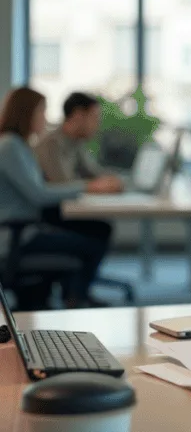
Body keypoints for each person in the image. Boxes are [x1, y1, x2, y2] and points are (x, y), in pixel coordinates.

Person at [0, 87, 122, 308]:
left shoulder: (19, 145)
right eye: (42, 112)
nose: (45, 118)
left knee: (96, 232)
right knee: (91, 243)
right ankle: (75, 299)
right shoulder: (10, 146)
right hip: (15, 235)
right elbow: (38, 194)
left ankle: (71, 297)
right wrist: (87, 187)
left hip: (26, 229)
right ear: (26, 114)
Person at [34, 91, 122, 248]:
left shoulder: (76, 142)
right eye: (94, 118)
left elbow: (94, 173)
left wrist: (114, 180)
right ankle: (80, 272)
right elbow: (61, 184)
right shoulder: (51, 144)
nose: (98, 124)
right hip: (48, 214)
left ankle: (83, 273)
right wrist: (95, 186)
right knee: (100, 230)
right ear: (78, 116)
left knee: (103, 228)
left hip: (63, 209)